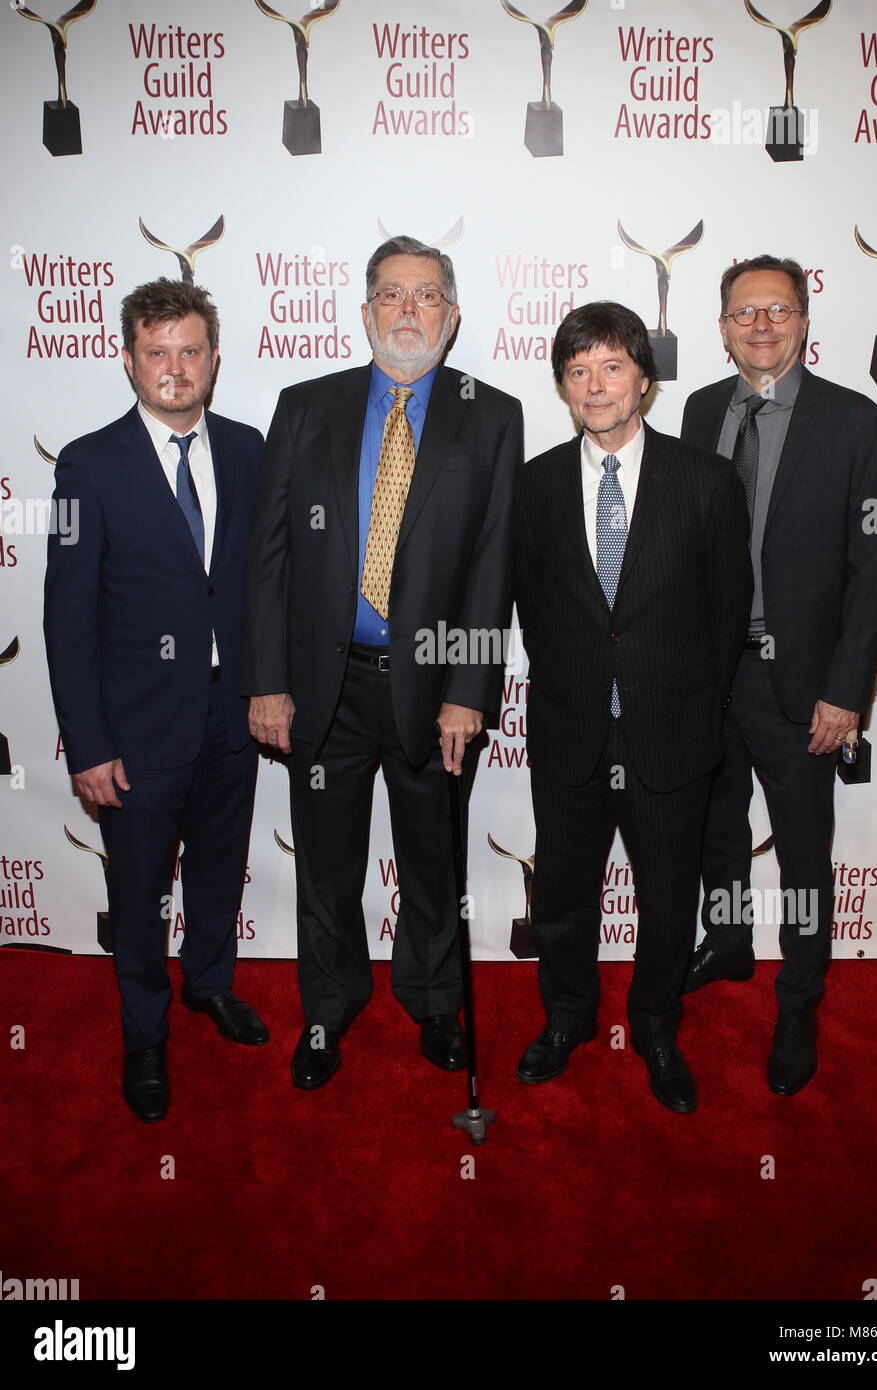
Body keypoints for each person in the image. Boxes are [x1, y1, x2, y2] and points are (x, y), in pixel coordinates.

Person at [243, 235, 524, 1091]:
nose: (409, 311)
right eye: (393, 295)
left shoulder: (493, 412)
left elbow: (493, 563)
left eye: (428, 295)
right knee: (327, 866)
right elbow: (271, 556)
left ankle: (436, 1002)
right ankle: (327, 1011)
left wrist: (469, 691)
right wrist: (268, 680)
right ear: (365, 312)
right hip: (323, 689)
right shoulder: (305, 405)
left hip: (436, 693)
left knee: (431, 857)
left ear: (454, 314)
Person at [513, 301, 752, 1112]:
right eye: (578, 372)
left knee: (668, 895)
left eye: (612, 367)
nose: (596, 385)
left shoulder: (706, 480)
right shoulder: (535, 483)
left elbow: (726, 616)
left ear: (644, 381)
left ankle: (655, 1026)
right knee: (564, 896)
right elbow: (527, 609)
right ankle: (569, 1020)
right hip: (570, 731)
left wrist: (692, 709)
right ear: (563, 388)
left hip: (671, 735)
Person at [44, 279, 267, 1124]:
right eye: (156, 351)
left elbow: (263, 584)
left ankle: (210, 986)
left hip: (231, 713)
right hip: (133, 731)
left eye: (189, 350)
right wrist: (88, 742)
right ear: (128, 358)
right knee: (138, 892)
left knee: (217, 869)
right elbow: (66, 619)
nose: (174, 368)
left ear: (214, 357)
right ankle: (145, 1032)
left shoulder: (248, 450)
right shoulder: (86, 463)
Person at [681, 255, 877, 1095]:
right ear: (723, 325)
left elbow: (871, 566)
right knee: (714, 828)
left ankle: (800, 996)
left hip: (799, 681)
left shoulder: (855, 421)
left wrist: (847, 691)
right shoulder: (700, 410)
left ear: (805, 322)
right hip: (705, 677)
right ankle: (729, 943)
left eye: (777, 310)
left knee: (804, 851)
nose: (760, 326)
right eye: (743, 312)